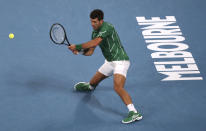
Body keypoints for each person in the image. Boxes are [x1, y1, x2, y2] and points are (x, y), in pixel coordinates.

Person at [68, 9, 142, 124]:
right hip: (110, 62)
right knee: (92, 84)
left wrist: (77, 46)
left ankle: (134, 112)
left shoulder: (108, 27)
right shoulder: (94, 33)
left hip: (121, 61)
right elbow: (90, 51)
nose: (92, 24)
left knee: (118, 87)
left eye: (95, 22)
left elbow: (95, 43)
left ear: (101, 21)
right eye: (91, 22)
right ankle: (90, 87)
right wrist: (80, 52)